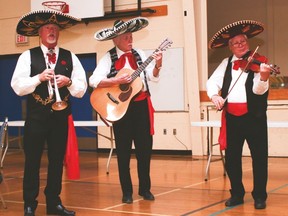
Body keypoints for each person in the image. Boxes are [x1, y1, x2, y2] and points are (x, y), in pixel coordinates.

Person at [11, 10, 87, 216]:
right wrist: (38, 78)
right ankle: (29, 204)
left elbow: (82, 88)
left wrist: (68, 81)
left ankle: (54, 204)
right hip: (36, 119)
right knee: (32, 161)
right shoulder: (28, 55)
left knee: (56, 162)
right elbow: (17, 86)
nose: (52, 31)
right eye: (47, 28)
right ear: (40, 33)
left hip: (60, 119)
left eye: (55, 28)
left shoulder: (70, 57)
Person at [89, 17, 163, 204]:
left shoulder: (140, 53)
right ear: (115, 40)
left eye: (131, 37)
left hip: (141, 107)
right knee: (123, 152)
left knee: (144, 150)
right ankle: (127, 192)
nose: (130, 40)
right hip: (121, 110)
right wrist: (116, 81)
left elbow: (153, 79)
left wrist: (158, 65)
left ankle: (145, 189)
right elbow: (94, 80)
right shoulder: (108, 58)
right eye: (126, 38)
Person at [206, 20, 272, 209]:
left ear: (248, 42)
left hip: (254, 117)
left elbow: (259, 91)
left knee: (259, 157)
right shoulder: (225, 63)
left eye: (243, 41)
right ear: (230, 46)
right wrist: (214, 96)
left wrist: (264, 77)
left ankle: (260, 196)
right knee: (232, 158)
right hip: (232, 118)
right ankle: (237, 193)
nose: (240, 45)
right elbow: (212, 83)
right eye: (236, 43)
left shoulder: (260, 61)